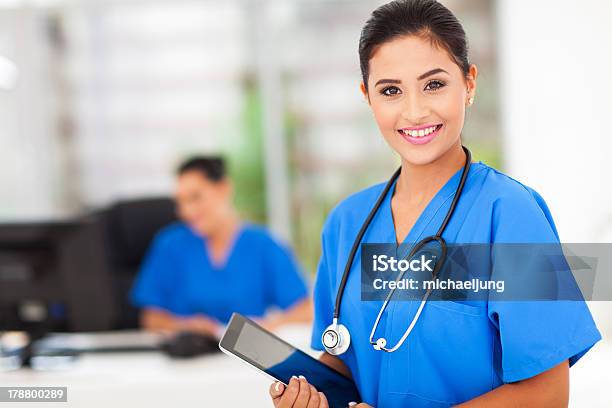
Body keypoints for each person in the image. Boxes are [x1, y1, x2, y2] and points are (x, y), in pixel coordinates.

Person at [268, 1, 601, 407]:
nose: (414, 111)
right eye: (391, 90)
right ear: (367, 97)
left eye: (434, 84)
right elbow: (348, 357)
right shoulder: (347, 223)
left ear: (470, 84)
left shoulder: (511, 214)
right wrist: (311, 396)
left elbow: (547, 395)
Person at [130, 156, 312, 337]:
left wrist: (268, 325)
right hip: (187, 356)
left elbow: (306, 310)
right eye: (180, 202)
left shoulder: (263, 245)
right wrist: (184, 326)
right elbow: (150, 319)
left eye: (195, 197)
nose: (186, 211)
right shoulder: (170, 245)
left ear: (224, 189)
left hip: (241, 358)